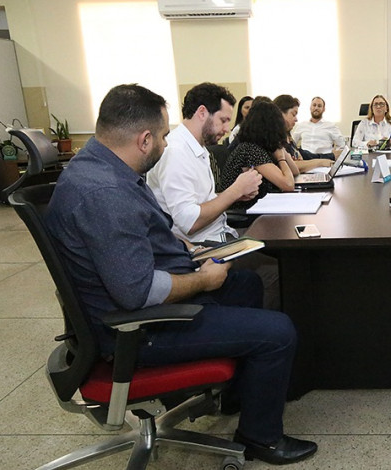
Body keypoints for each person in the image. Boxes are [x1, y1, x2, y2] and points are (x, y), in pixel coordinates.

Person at [45, 84, 318, 465]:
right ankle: (261, 438)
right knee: (278, 332)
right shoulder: (105, 194)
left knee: (246, 283)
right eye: (160, 137)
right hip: (137, 331)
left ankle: (238, 395)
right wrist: (202, 281)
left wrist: (183, 250)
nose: (164, 143)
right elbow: (137, 292)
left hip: (138, 303)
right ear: (143, 140)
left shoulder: (100, 167)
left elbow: (142, 235)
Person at [146, 83, 279, 310]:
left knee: (276, 257)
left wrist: (236, 195)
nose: (227, 128)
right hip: (200, 249)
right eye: (223, 120)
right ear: (202, 113)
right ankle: (257, 327)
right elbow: (189, 221)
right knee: (275, 271)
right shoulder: (176, 152)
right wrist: (234, 191)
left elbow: (202, 200)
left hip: (218, 238)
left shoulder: (196, 147)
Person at [219, 100, 299, 210]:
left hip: (258, 207)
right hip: (243, 211)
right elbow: (288, 185)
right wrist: (281, 159)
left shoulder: (261, 146)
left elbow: (295, 171)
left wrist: (280, 147)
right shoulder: (251, 149)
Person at [273, 94, 334, 172]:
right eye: (293, 114)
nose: (296, 119)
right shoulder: (274, 139)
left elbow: (298, 157)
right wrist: (321, 162)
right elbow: (290, 166)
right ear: (280, 114)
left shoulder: (288, 135)